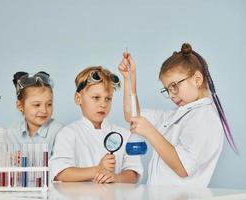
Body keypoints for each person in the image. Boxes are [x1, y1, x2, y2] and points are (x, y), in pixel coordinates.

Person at [118, 43, 237, 187]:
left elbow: (183, 167)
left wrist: (150, 131)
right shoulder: (177, 115)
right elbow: (132, 115)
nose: (171, 95)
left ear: (197, 80)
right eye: (167, 90)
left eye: (174, 86)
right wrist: (129, 78)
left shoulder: (205, 118)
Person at [50, 66, 143, 184]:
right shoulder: (68, 133)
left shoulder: (125, 135)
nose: (103, 104)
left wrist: (117, 178)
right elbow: (60, 173)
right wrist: (97, 170)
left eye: (108, 99)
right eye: (96, 98)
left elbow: (134, 172)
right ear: (78, 98)